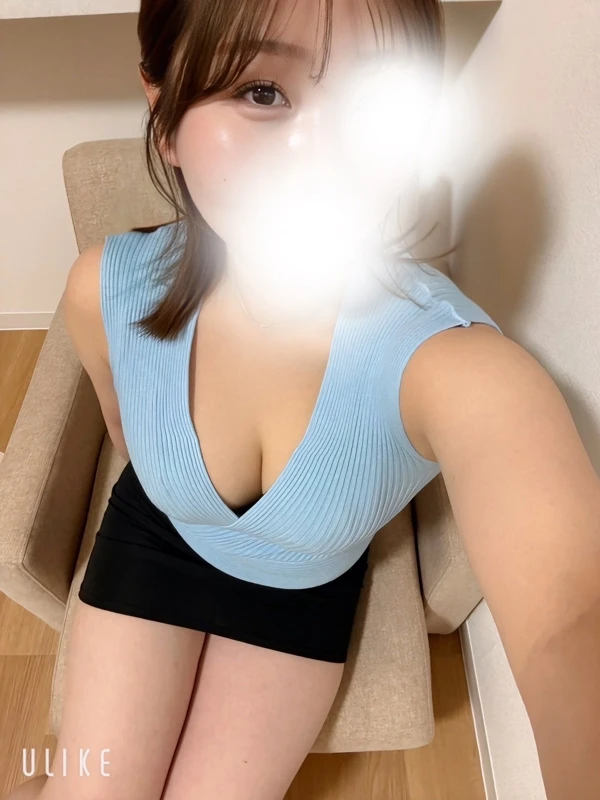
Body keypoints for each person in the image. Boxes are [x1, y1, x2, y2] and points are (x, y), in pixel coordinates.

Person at [8, 0, 600, 798]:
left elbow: (572, 619)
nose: (324, 159)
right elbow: (124, 426)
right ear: (166, 115)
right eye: (262, 92)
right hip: (153, 541)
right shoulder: (103, 291)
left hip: (298, 595)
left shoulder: (455, 367)